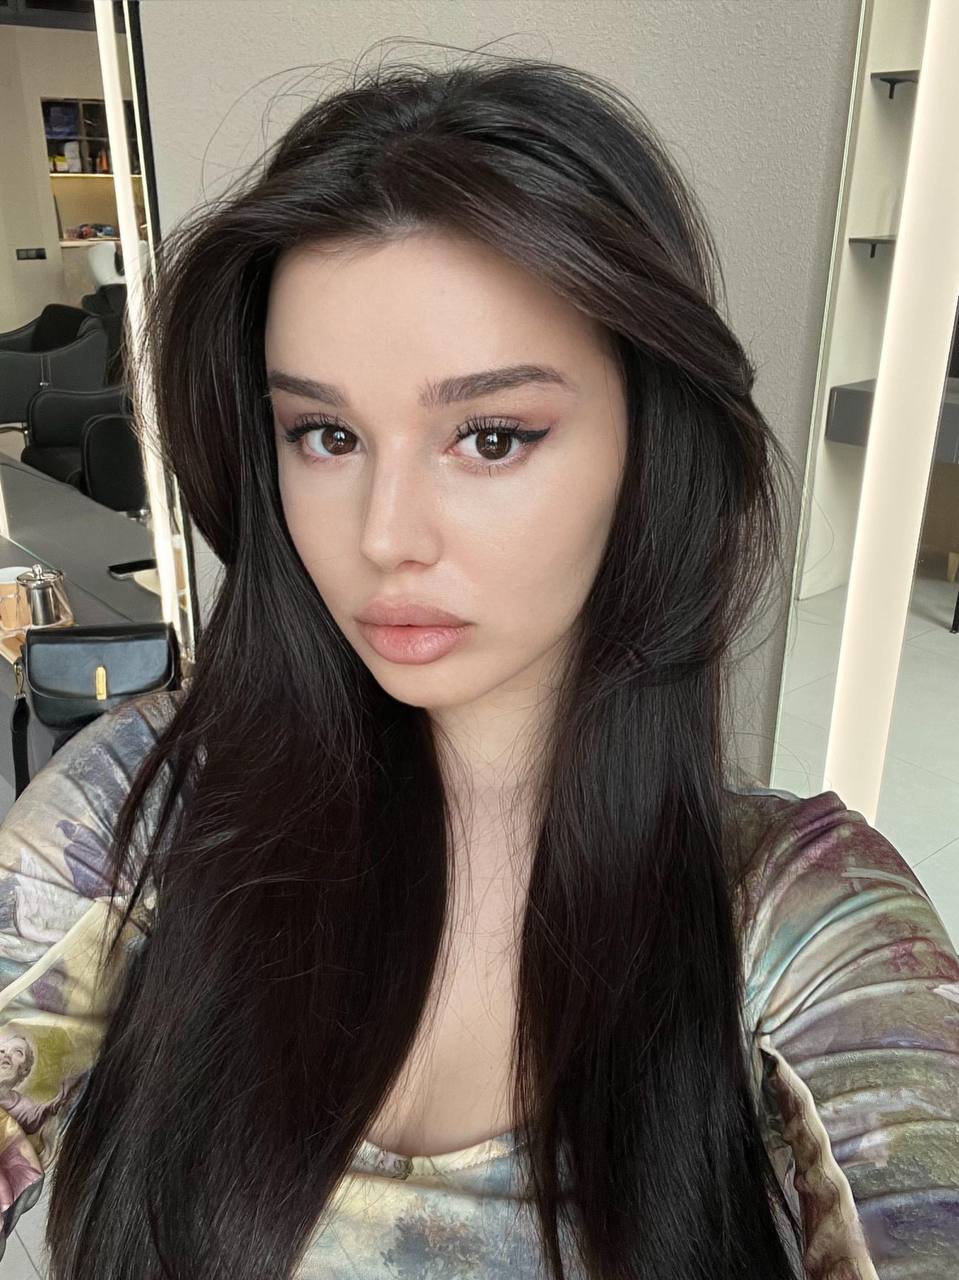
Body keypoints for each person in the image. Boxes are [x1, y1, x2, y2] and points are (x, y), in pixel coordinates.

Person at [0, 49, 957, 1280]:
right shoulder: (134, 812)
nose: (384, 535)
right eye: (325, 433)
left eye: (491, 436)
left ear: (648, 439)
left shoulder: (799, 928)